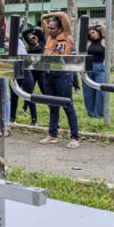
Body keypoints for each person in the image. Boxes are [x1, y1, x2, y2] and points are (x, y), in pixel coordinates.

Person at [38, 12, 80, 148]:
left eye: (52, 28)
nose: (49, 30)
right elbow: (43, 20)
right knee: (52, 105)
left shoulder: (67, 36)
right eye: (48, 28)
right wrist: (46, 18)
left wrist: (50, 14)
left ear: (60, 28)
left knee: (67, 105)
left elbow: (63, 15)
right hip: (48, 74)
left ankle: (75, 137)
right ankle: (52, 135)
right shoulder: (50, 37)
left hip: (63, 75)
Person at [82, 24, 106, 118]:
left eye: (93, 32)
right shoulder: (89, 43)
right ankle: (90, 112)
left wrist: (96, 25)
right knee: (88, 91)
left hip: (99, 67)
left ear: (98, 32)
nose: (92, 35)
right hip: (88, 67)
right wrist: (89, 28)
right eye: (90, 34)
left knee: (100, 91)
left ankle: (98, 114)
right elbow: (83, 33)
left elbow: (105, 29)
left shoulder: (103, 41)